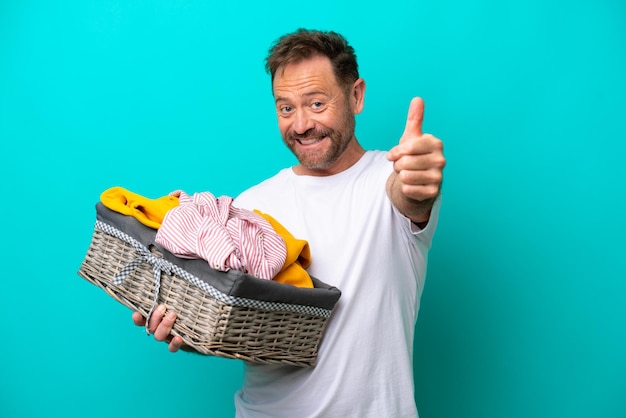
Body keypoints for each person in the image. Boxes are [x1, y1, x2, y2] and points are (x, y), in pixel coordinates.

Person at [133, 28, 446, 417]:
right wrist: (190, 329)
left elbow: (412, 196)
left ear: (356, 96)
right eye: (286, 108)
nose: (300, 125)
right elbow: (239, 323)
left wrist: (419, 178)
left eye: (316, 103)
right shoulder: (250, 207)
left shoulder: (388, 183)